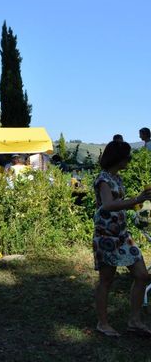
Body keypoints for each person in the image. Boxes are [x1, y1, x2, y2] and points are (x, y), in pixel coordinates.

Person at [93, 141, 151, 337]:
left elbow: (120, 205)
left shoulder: (117, 178)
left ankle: (134, 321)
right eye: (128, 156)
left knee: (142, 275)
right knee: (106, 280)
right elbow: (108, 205)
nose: (130, 159)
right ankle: (103, 323)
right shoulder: (103, 180)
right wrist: (137, 200)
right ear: (118, 157)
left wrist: (138, 208)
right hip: (106, 237)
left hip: (122, 235)